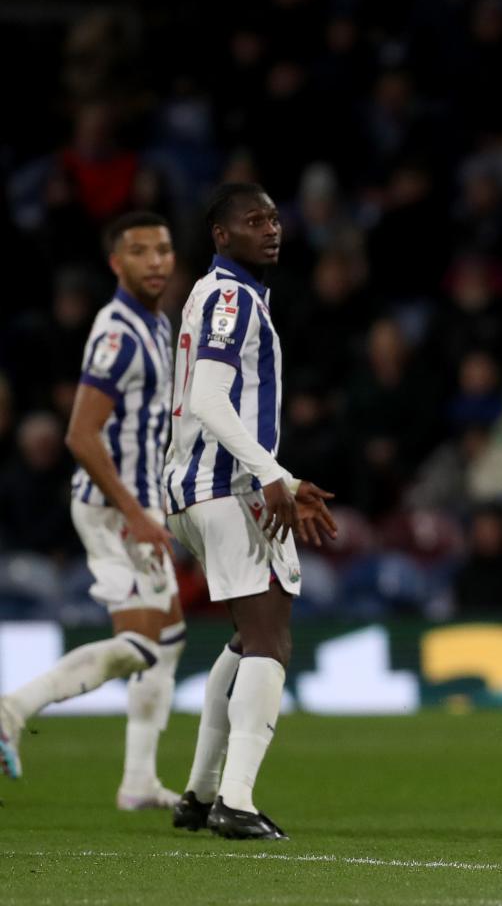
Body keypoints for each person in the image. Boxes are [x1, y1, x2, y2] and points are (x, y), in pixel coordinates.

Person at [163, 183, 337, 840]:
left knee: (244, 641)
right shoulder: (231, 297)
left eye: (274, 219)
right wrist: (270, 476)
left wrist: (279, 476)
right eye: (254, 221)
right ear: (221, 235)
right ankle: (235, 801)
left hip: (198, 489)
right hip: (228, 488)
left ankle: (200, 793)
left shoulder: (217, 293)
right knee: (271, 640)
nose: (271, 229)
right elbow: (209, 398)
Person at [0, 212, 186, 811]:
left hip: (139, 503)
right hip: (114, 510)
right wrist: (135, 512)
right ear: (115, 262)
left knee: (169, 636)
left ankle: (138, 781)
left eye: (163, 249)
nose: (155, 261)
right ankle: (12, 709)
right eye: (140, 251)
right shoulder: (118, 334)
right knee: (140, 646)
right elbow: (81, 435)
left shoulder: (157, 324)